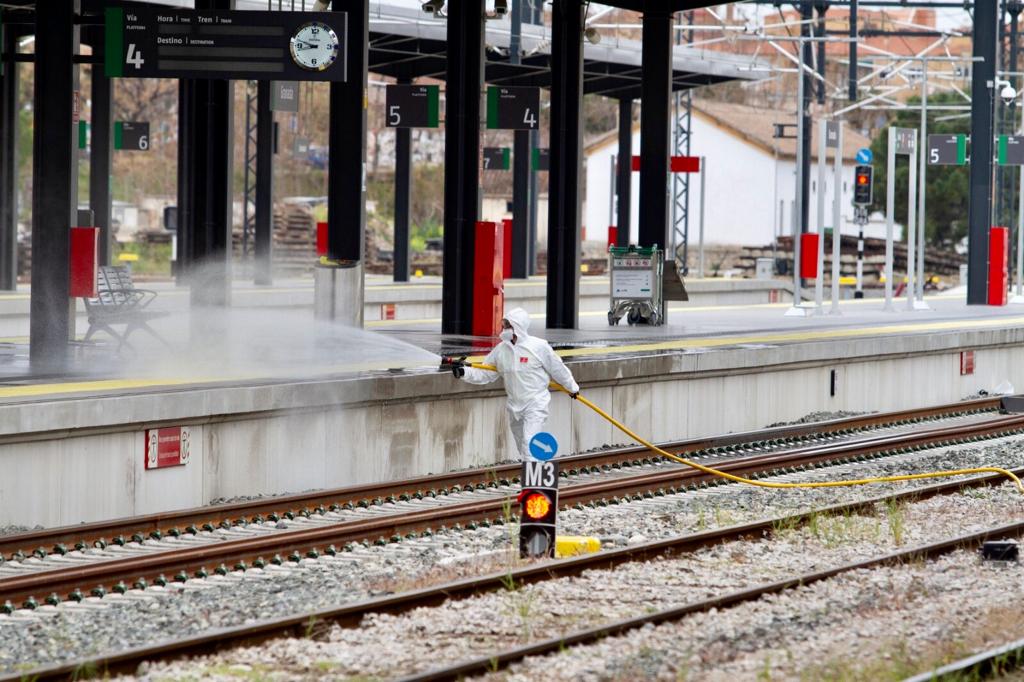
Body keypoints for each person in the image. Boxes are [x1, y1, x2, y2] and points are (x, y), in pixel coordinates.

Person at [448, 307, 579, 461]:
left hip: (535, 404)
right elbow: (486, 373)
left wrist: (572, 388)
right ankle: (532, 476)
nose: (503, 329)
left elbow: (558, 369)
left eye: (507, 326)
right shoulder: (501, 350)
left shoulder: (539, 347)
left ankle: (534, 482)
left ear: (518, 327)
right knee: (522, 448)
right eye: (503, 326)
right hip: (514, 407)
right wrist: (463, 372)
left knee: (530, 446)